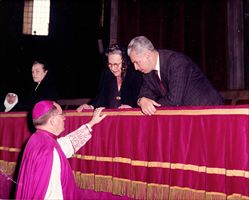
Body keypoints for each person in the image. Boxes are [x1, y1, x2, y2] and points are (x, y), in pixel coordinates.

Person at [15, 100, 125, 199]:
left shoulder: (38, 139)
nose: (64, 117)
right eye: (62, 114)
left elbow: (67, 143)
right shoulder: (49, 151)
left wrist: (91, 123)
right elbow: (51, 194)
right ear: (52, 121)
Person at [127, 36, 224, 115]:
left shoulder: (176, 62)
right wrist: (142, 100)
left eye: (136, 62)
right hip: (190, 114)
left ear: (147, 56)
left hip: (210, 110)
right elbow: (145, 94)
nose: (135, 68)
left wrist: (150, 104)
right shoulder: (147, 72)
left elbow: (174, 101)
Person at [76, 44, 142, 111]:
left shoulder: (135, 75)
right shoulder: (107, 74)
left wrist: (132, 107)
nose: (113, 68)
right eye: (110, 64)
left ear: (125, 62)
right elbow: (101, 97)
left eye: (116, 64)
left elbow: (140, 98)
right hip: (110, 119)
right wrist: (91, 106)